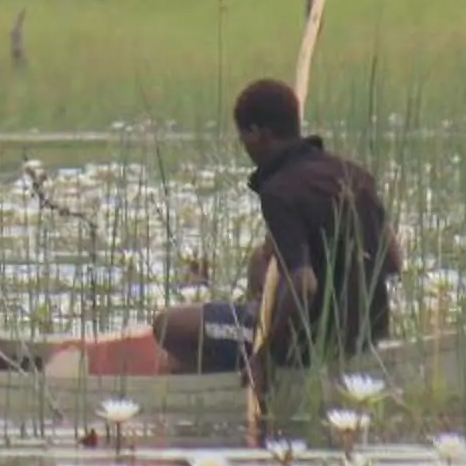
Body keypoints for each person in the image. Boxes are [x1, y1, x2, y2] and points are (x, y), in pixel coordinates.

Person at [154, 77, 400, 375]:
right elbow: (393, 261)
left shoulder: (280, 191)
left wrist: (267, 353)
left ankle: (228, 374)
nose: (245, 146)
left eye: (243, 137)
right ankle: (226, 362)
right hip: (368, 333)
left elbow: (304, 285)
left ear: (258, 133)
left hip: (308, 342)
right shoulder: (356, 174)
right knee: (261, 259)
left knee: (168, 325)